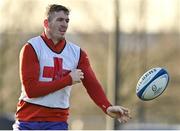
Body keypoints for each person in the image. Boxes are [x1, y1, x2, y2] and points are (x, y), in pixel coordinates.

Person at [13, 4, 131, 130]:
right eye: (59, 20)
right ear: (46, 23)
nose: (64, 24)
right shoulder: (31, 47)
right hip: (27, 121)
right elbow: (32, 90)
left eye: (67, 20)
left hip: (57, 122)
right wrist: (68, 80)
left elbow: (92, 84)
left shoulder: (77, 53)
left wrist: (107, 106)